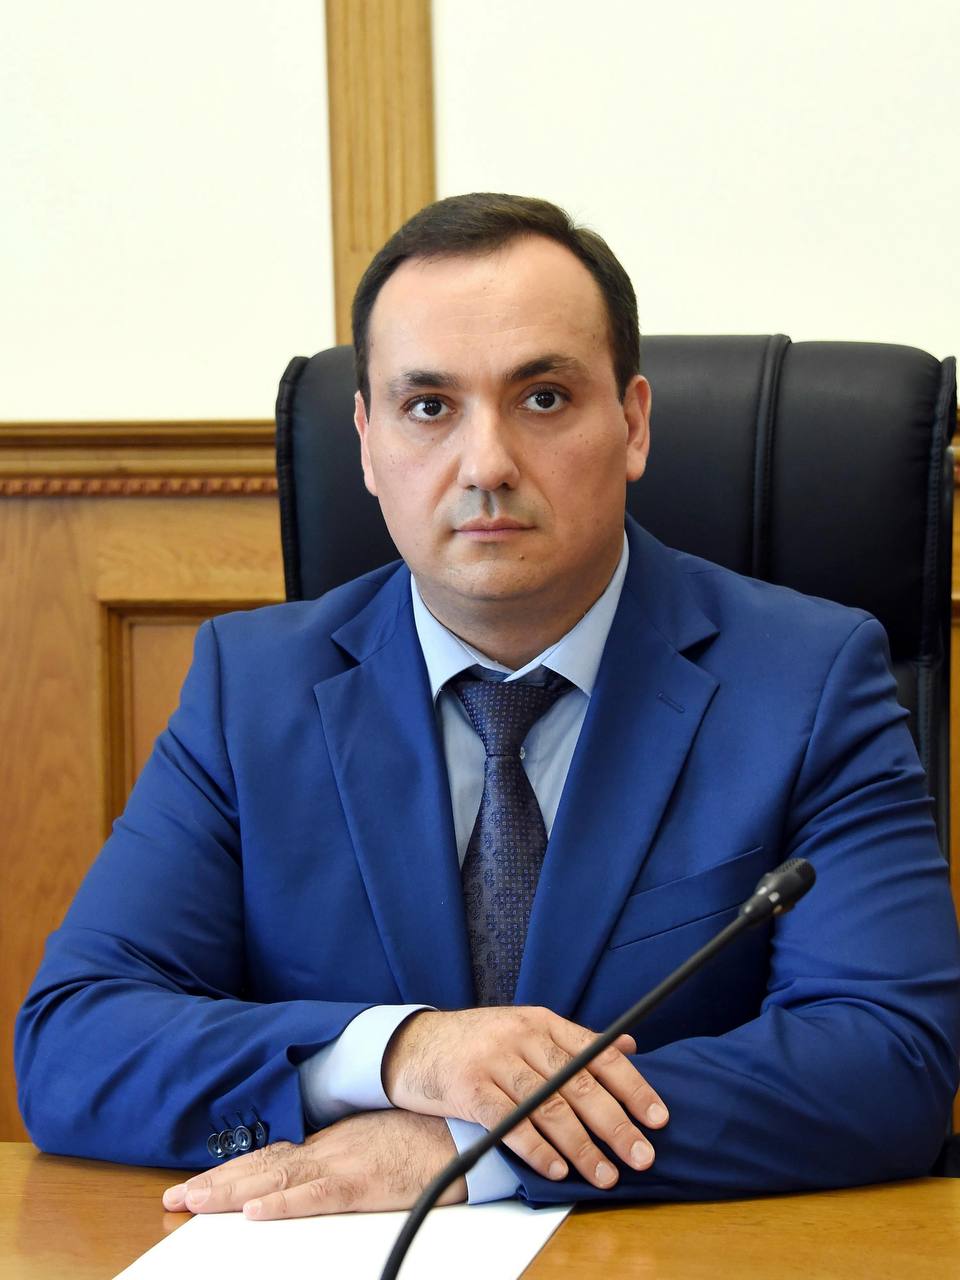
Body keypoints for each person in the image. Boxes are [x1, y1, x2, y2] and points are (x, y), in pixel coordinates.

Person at [16, 194, 960, 1222]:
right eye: (429, 407)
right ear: (367, 443)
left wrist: (480, 1145)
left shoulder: (810, 680)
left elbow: (889, 1057)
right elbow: (74, 1043)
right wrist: (401, 1053)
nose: (488, 465)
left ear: (634, 423)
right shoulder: (251, 689)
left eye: (543, 398)